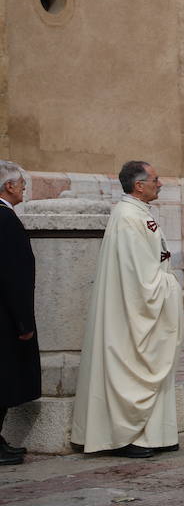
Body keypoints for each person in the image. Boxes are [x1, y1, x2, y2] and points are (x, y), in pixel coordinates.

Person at [72, 161, 183, 458]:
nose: (160, 184)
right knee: (131, 366)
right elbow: (137, 275)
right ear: (139, 185)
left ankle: (155, 434)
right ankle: (125, 435)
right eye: (156, 180)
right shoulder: (126, 217)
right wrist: (168, 286)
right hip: (131, 309)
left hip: (146, 302)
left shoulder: (140, 214)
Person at [0, 161, 38, 465]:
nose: (24, 188)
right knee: (4, 380)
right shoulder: (6, 220)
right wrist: (24, 321)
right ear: (9, 186)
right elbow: (14, 275)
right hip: (5, 318)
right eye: (21, 184)